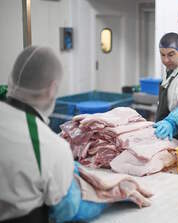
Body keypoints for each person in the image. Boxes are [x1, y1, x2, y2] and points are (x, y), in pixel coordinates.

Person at [0, 46, 107, 223]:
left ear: (11, 79)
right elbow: (65, 211)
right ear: (52, 89)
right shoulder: (49, 146)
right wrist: (105, 201)